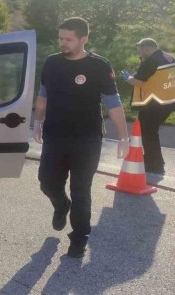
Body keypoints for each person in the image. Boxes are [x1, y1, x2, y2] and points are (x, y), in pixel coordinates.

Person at [33, 17, 129, 258]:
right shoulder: (53, 62)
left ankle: (79, 238)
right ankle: (60, 205)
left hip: (87, 138)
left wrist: (124, 137)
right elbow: (43, 93)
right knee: (46, 181)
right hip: (55, 135)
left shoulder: (99, 66)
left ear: (83, 39)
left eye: (68, 39)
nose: (62, 43)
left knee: (81, 190)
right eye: (60, 38)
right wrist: (38, 119)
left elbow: (113, 103)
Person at [121, 38, 175, 175]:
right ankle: (156, 160)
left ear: (147, 48)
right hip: (168, 102)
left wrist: (127, 78)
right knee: (152, 132)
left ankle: (154, 165)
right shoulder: (169, 57)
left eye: (139, 49)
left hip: (152, 104)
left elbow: (138, 81)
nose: (138, 52)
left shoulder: (151, 61)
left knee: (149, 134)